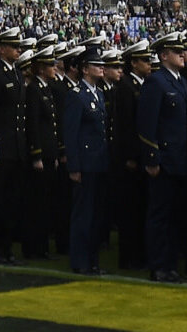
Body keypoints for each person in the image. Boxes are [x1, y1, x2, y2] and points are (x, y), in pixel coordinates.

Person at [137, 32, 187, 282]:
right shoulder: (156, 82)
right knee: (160, 216)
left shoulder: (180, 81)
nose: (182, 54)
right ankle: (159, 266)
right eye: (176, 50)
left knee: (175, 216)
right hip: (164, 162)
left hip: (180, 160)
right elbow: (147, 124)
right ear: (163, 55)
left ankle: (170, 264)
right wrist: (151, 158)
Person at [62, 44, 112, 274]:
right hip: (85, 162)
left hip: (99, 162)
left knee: (97, 216)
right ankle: (80, 261)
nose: (101, 68)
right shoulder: (76, 96)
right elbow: (71, 134)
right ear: (84, 69)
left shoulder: (98, 94)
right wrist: (74, 165)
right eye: (96, 65)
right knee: (83, 215)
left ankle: (93, 260)